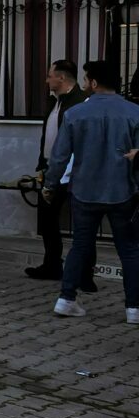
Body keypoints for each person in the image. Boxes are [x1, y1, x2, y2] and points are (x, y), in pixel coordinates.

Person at [45, 60, 139, 322]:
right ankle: (134, 308)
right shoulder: (134, 112)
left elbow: (59, 157)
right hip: (123, 190)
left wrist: (50, 184)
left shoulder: (75, 113)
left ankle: (66, 299)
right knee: (130, 250)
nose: (84, 84)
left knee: (79, 246)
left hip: (84, 190)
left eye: (86, 80)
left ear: (94, 83)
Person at [27, 60, 94, 289]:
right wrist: (42, 164)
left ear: (61, 77)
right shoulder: (55, 101)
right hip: (51, 168)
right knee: (47, 220)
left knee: (83, 223)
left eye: (50, 75)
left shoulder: (80, 102)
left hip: (73, 170)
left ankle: (85, 274)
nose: (47, 80)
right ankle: (52, 264)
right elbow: (49, 136)